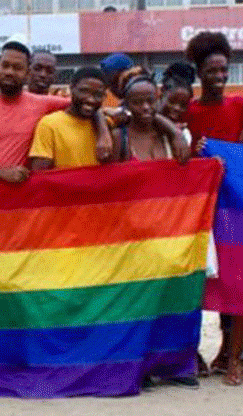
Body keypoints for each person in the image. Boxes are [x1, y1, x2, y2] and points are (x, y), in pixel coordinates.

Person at [0, 35, 113, 180]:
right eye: (5, 65)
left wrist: (103, 133)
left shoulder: (43, 103)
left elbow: (87, 103)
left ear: (27, 72)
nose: (10, 72)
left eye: (17, 68)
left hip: (22, 200)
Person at [184, 31, 243, 385]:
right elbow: (179, 152)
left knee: (236, 278)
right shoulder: (188, 110)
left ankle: (228, 352)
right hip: (201, 206)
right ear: (198, 72)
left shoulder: (238, 106)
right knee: (204, 280)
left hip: (234, 207)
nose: (220, 78)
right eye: (212, 71)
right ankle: (192, 353)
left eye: (224, 71)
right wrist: (195, 150)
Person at [29, 67, 114, 170]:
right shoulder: (49, 124)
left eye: (98, 95)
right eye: (84, 91)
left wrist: (103, 128)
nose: (91, 99)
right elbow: (41, 174)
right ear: (72, 88)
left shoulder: (107, 124)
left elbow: (127, 116)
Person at [112, 69, 189, 163]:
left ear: (158, 99)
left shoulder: (170, 135)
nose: (145, 107)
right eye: (137, 102)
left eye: (151, 101)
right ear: (127, 105)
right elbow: (113, 175)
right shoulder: (119, 137)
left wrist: (176, 134)